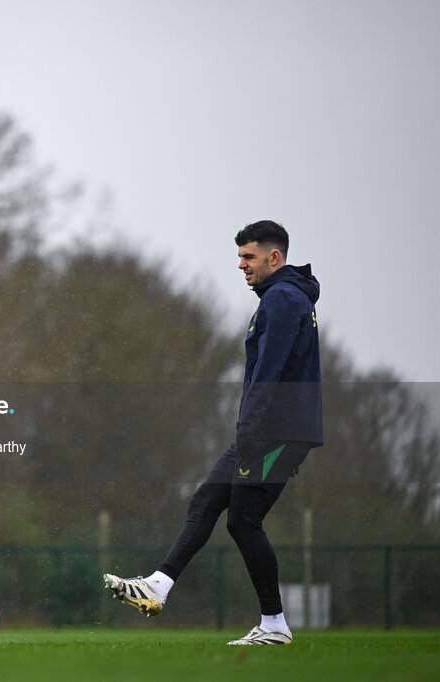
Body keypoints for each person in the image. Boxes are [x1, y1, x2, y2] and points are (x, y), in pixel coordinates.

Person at [103, 220, 323, 645]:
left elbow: (269, 372)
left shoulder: (282, 299)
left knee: (244, 520)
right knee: (208, 500)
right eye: (239, 257)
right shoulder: (283, 297)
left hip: (274, 432)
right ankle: (158, 586)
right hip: (265, 430)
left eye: (249, 257)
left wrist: (249, 429)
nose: (241, 265)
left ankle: (275, 626)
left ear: (274, 257)